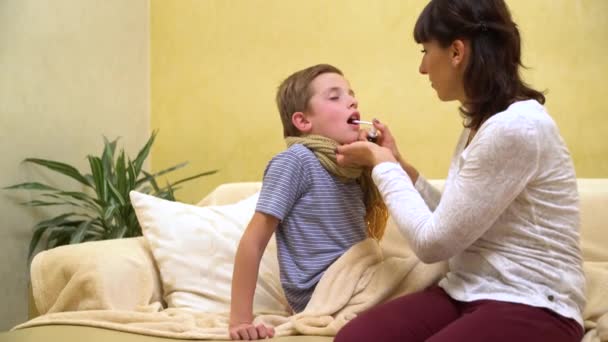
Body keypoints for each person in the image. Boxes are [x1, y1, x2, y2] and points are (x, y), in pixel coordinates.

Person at [333, 0, 585, 341]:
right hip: (467, 289)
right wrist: (402, 167)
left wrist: (380, 164)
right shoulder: (481, 126)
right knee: (355, 338)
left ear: (456, 52)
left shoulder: (517, 128)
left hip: (535, 301)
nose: (422, 68)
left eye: (425, 51)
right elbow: (456, 223)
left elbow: (433, 244)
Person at [229, 64, 388, 340]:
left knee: (436, 275)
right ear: (303, 122)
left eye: (351, 94)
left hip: (355, 281)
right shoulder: (296, 161)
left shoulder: (354, 169)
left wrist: (380, 160)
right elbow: (253, 241)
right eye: (334, 96)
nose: (352, 100)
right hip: (323, 292)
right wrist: (240, 320)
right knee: (435, 276)